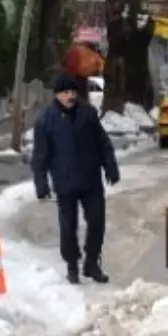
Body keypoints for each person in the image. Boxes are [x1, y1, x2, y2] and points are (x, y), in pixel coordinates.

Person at [32, 73, 121, 284]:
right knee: (68, 228)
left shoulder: (88, 114)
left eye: (73, 91)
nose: (70, 96)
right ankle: (72, 264)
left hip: (91, 180)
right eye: (65, 92)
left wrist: (111, 167)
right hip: (65, 182)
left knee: (97, 222)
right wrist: (41, 183)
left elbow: (103, 143)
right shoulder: (46, 120)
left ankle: (91, 262)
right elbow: (40, 156)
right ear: (57, 95)